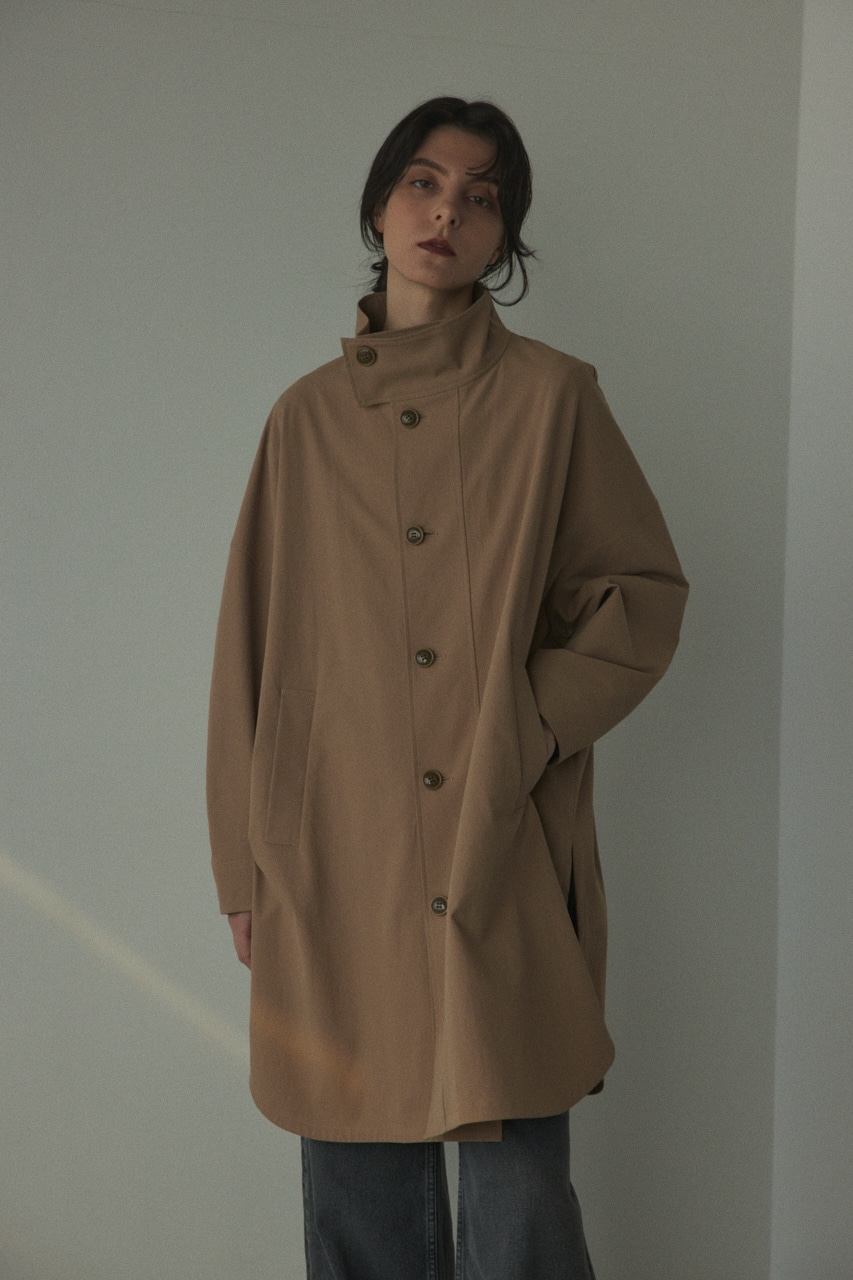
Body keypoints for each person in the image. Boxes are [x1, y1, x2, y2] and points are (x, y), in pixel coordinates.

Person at [207, 95, 688, 1279]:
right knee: (356, 1169)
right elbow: (249, 654)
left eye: (481, 197)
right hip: (334, 843)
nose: (446, 213)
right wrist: (242, 865)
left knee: (519, 1179)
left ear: (502, 235)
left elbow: (637, 597)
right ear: (379, 206)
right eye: (423, 183)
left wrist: (522, 727)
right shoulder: (304, 421)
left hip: (497, 835)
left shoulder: (554, 398)